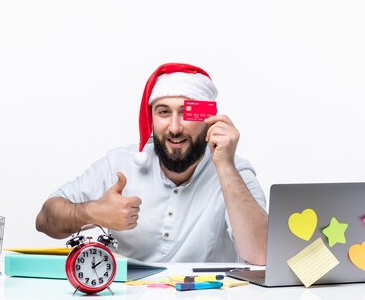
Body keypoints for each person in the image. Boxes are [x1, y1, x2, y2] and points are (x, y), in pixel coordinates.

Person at [35, 62, 268, 265]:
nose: (175, 128)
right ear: (151, 118)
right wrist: (92, 212)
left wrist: (225, 166)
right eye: (164, 112)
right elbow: (45, 219)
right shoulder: (119, 164)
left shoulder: (234, 171)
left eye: (186, 113)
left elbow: (262, 254)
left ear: (208, 120)